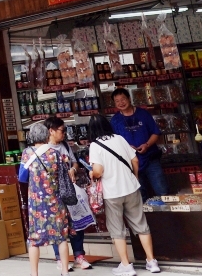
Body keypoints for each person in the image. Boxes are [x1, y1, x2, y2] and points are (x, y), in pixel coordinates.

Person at [88, 116, 158, 275]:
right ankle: (151, 261)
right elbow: (135, 161)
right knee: (141, 225)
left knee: (117, 229)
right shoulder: (120, 138)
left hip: (112, 193)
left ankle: (126, 265)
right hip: (131, 188)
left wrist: (92, 172)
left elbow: (98, 171)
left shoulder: (95, 145)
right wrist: (134, 177)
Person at [20, 118, 91, 271]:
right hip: (57, 200)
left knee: (34, 239)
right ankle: (65, 272)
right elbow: (64, 175)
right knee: (61, 237)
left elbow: (22, 177)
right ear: (47, 135)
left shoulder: (26, 154)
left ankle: (34, 273)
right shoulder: (56, 153)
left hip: (37, 202)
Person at [109, 88, 167, 199]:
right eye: (117, 101)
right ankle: (146, 216)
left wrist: (147, 145)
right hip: (131, 163)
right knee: (140, 196)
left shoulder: (143, 114)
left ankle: (168, 215)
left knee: (162, 190)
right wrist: (126, 148)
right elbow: (114, 142)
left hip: (150, 159)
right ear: (114, 103)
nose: (121, 103)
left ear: (129, 99)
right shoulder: (115, 120)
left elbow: (156, 133)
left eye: (123, 99)